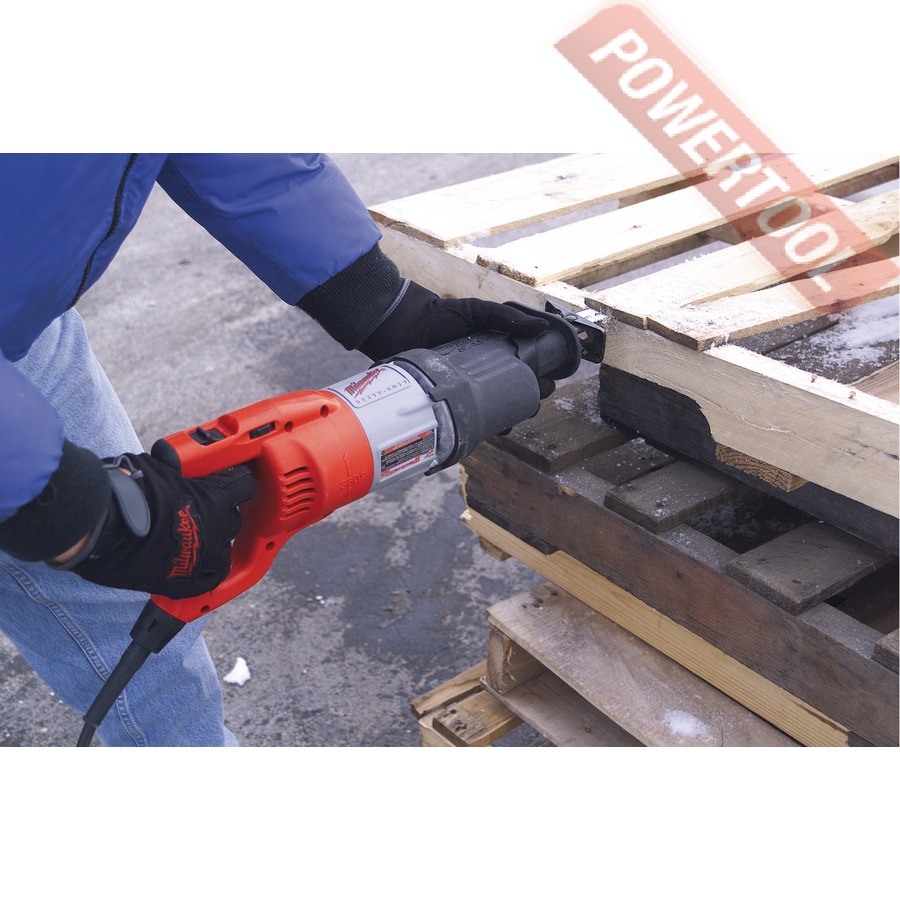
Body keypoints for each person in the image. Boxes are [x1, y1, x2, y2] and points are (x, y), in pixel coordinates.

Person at [0, 154, 549, 746]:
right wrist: (59, 506)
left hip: (26, 332)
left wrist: (382, 306)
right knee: (112, 548)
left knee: (128, 618)